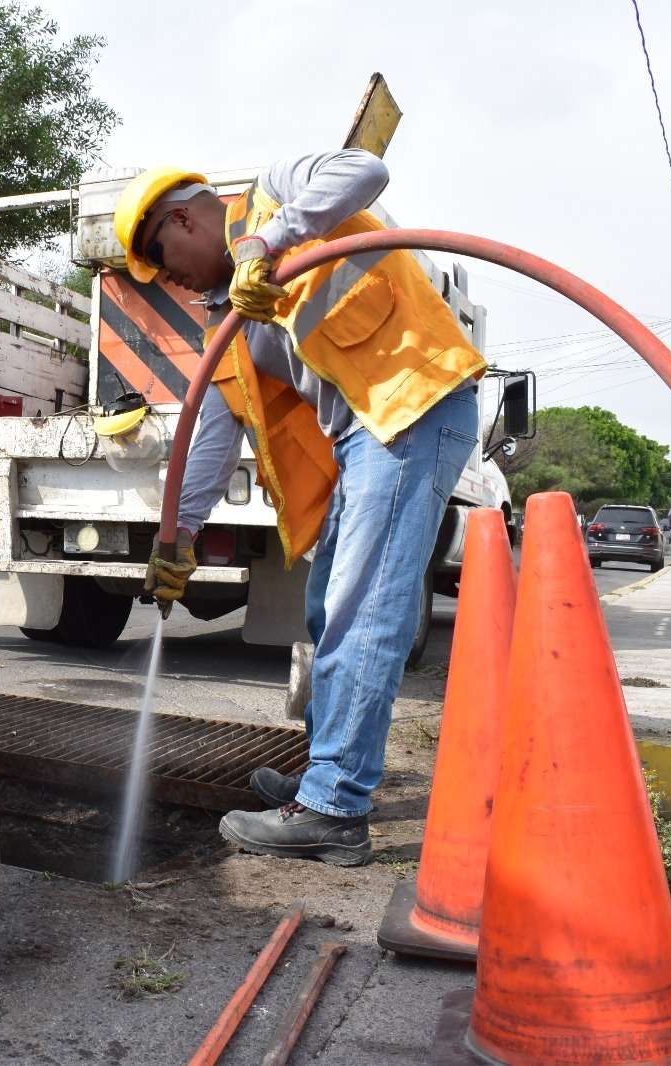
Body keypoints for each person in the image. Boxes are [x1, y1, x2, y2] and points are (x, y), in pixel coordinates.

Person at [117, 152, 485, 866]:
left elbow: (365, 169)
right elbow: (211, 438)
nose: (167, 280)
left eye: (160, 259)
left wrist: (268, 242)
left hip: (414, 404)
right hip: (364, 439)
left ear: (184, 218)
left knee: (361, 611)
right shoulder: (229, 320)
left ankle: (334, 808)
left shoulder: (273, 195)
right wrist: (178, 535)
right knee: (325, 609)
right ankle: (327, 771)